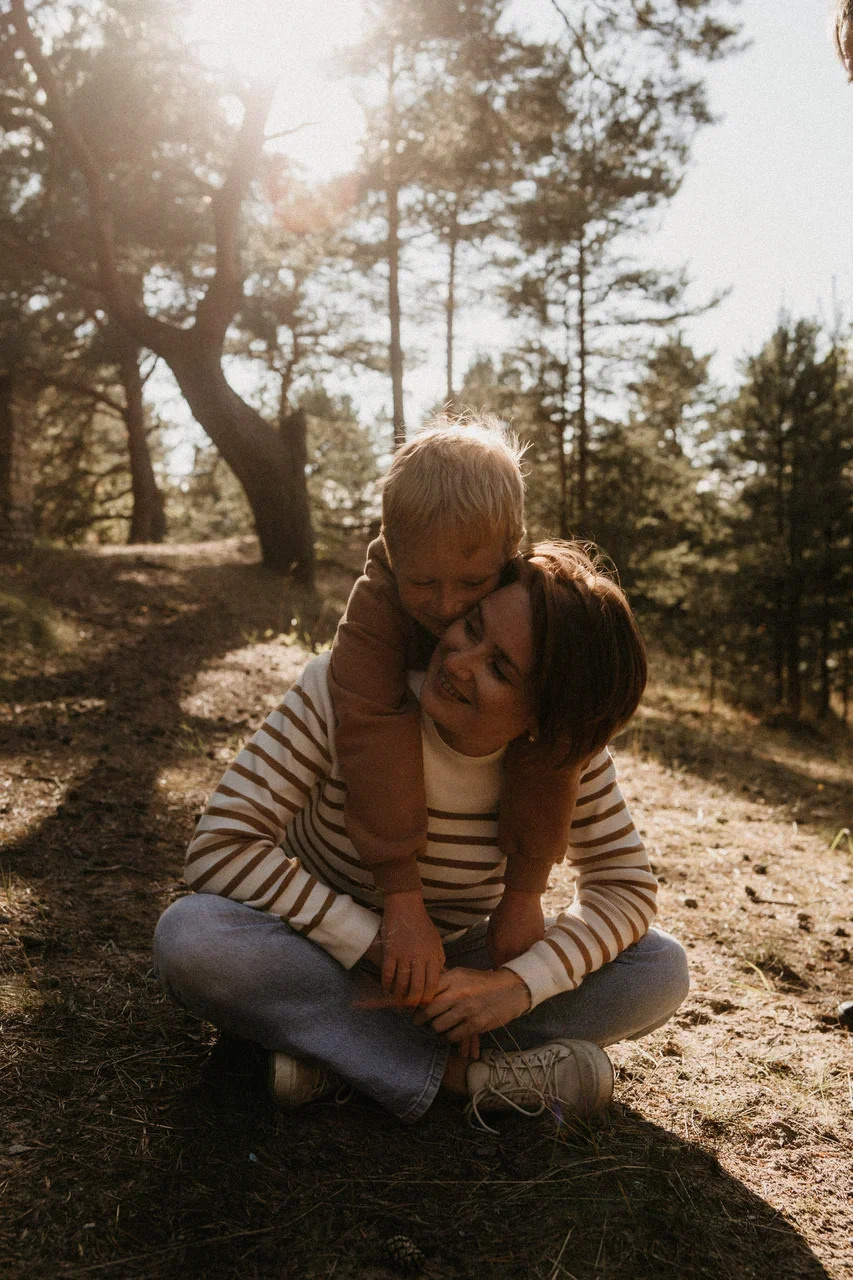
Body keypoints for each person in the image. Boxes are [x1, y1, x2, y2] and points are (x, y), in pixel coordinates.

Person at [153, 541, 689, 1127]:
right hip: (312, 952)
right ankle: (465, 1080)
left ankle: (340, 1057)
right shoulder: (343, 693)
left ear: (545, 717)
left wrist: (512, 987)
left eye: (500, 667)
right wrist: (374, 942)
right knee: (193, 935)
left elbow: (626, 886)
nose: (459, 660)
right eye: (473, 626)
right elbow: (219, 846)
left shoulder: (564, 760)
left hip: (456, 968)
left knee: (659, 969)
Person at [328, 417, 581, 1011]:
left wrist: (524, 893)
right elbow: (369, 725)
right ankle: (423, 1062)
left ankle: (372, 1038)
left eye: (472, 583)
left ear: (510, 553)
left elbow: (556, 745)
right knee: (202, 941)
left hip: (467, 942)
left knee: (655, 968)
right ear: (392, 553)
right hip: (365, 919)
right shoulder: (377, 607)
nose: (445, 607)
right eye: (422, 582)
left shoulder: (529, 604)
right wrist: (400, 895)